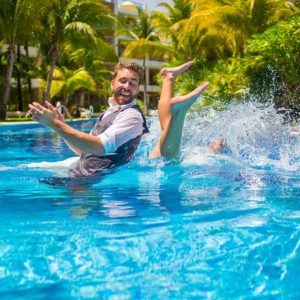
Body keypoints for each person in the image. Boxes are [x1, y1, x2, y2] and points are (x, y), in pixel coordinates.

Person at [29, 61, 210, 177]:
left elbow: (98, 147)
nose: (127, 86)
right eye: (123, 81)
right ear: (112, 83)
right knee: (164, 137)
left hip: (96, 180)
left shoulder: (131, 116)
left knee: (167, 146)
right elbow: (85, 150)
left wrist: (55, 124)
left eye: (133, 83)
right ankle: (168, 78)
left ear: (137, 90)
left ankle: (178, 112)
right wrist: (59, 126)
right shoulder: (110, 111)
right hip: (89, 172)